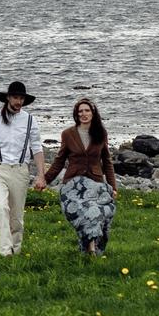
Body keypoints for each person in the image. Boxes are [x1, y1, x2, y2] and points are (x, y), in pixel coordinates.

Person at [44, 96, 119, 257]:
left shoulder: (101, 133)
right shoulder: (68, 134)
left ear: (93, 113)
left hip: (96, 183)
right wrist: (45, 180)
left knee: (96, 212)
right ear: (76, 115)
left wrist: (113, 186)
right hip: (74, 185)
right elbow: (59, 160)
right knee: (83, 213)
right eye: (80, 112)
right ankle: (90, 249)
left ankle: (90, 248)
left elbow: (107, 161)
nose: (83, 114)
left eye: (87, 110)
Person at [0, 80, 41, 257]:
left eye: (21, 98)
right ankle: (5, 251)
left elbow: (37, 148)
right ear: (7, 98)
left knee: (17, 217)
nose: (18, 102)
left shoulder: (30, 120)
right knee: (0, 207)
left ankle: (16, 249)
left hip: (20, 171)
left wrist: (41, 175)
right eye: (15, 97)